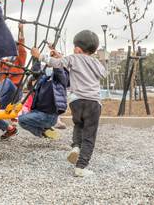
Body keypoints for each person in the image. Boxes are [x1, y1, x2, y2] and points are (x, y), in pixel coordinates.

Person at [32, 30, 106, 178]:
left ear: (78, 48)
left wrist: (39, 56)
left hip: (76, 101)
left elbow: (58, 63)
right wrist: (62, 57)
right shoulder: (97, 63)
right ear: (94, 50)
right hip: (93, 103)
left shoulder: (73, 58)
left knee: (78, 125)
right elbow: (103, 73)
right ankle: (81, 167)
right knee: (89, 134)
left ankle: (76, 147)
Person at [0, 23, 27, 140]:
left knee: (6, 82)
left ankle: (11, 106)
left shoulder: (19, 60)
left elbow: (21, 46)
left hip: (15, 91)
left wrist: (21, 30)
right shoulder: (2, 62)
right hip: (4, 95)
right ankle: (9, 129)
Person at [17, 64, 67, 140]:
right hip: (41, 114)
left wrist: (55, 60)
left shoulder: (57, 83)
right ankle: (45, 131)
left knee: (21, 120)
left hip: (48, 116)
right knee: (22, 120)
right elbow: (37, 72)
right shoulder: (42, 83)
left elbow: (59, 72)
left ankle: (43, 131)